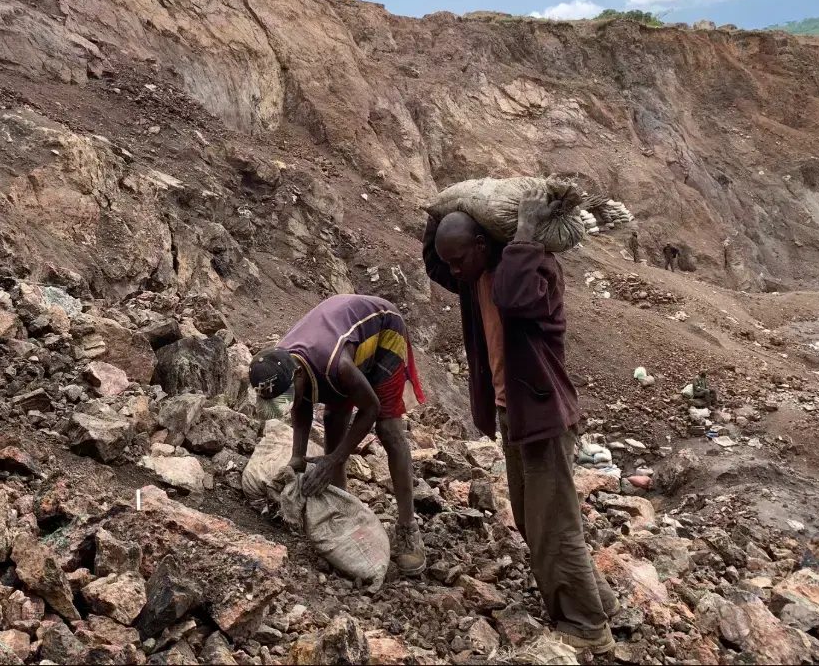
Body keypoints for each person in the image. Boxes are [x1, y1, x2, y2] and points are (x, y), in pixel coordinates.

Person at [422, 188, 619, 654]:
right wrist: (437, 215)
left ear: (483, 246)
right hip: (514, 414)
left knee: (553, 525)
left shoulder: (538, 272)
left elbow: (512, 299)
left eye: (459, 260)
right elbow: (435, 264)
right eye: (452, 263)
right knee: (537, 522)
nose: (453, 271)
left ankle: (587, 626)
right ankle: (599, 600)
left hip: (544, 417)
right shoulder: (477, 274)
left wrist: (526, 231)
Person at [248, 294, 427, 575]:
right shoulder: (278, 365)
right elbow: (300, 404)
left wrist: (334, 459)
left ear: (298, 375)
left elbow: (370, 408)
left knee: (388, 429)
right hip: (343, 341)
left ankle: (408, 528)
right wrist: (297, 458)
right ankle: (342, 509)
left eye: (288, 396)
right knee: (333, 420)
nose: (287, 403)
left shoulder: (336, 366)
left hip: (383, 331)